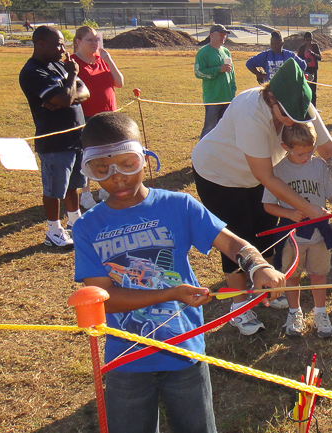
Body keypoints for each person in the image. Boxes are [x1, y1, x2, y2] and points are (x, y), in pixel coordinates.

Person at [73, 112, 287, 433]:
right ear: (87, 170)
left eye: (127, 164)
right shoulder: (88, 227)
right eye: (101, 169)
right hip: (125, 359)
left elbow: (231, 244)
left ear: (145, 160)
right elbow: (104, 301)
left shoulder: (179, 206)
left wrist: (257, 265)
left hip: (184, 352)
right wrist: (171, 294)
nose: (117, 177)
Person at [191, 59, 332, 335]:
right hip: (218, 175)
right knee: (238, 238)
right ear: (271, 97)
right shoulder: (250, 111)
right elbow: (266, 177)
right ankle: (239, 307)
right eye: (288, 116)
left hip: (256, 176)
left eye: (300, 116)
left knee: (268, 233)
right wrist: (311, 209)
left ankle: (262, 289)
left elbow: (329, 149)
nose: (294, 122)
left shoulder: (299, 105)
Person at [261, 122, 332, 338]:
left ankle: (320, 313)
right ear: (286, 147)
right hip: (291, 236)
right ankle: (294, 312)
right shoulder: (277, 172)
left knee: (319, 274)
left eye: (310, 151)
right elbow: (268, 205)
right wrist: (289, 214)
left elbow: (331, 194)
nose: (307, 156)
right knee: (292, 276)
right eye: (301, 153)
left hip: (319, 234)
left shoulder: (319, 166)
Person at [19, 25, 89, 248]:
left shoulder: (60, 65)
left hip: (76, 136)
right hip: (54, 140)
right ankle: (53, 230)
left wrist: (69, 94)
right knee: (54, 188)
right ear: (41, 44)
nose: (63, 48)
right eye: (58, 43)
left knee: (74, 183)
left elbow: (85, 93)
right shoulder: (33, 72)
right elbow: (64, 99)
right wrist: (72, 78)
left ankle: (75, 221)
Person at [72, 26, 124, 210]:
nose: (95, 43)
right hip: (86, 116)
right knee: (88, 155)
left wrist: (109, 61)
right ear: (78, 42)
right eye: (90, 40)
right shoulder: (73, 62)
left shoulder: (101, 60)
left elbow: (119, 82)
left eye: (96, 39)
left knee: (108, 154)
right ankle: (85, 193)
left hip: (109, 115)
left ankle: (105, 187)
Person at [194, 24, 236, 139]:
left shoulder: (226, 52)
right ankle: (203, 151)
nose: (224, 37)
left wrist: (232, 90)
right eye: (221, 34)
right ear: (212, 35)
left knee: (225, 127)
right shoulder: (203, 52)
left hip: (227, 97)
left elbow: (231, 73)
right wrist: (218, 69)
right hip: (213, 98)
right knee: (210, 127)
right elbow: (198, 72)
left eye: (225, 35)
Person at [297, 32, 322, 107]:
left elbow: (320, 57)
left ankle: (314, 107)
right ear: (304, 40)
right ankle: (305, 105)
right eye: (307, 40)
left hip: (313, 69)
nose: (309, 42)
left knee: (313, 89)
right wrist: (305, 61)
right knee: (305, 88)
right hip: (305, 70)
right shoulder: (302, 48)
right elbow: (298, 59)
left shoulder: (315, 46)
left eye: (310, 40)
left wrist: (312, 53)